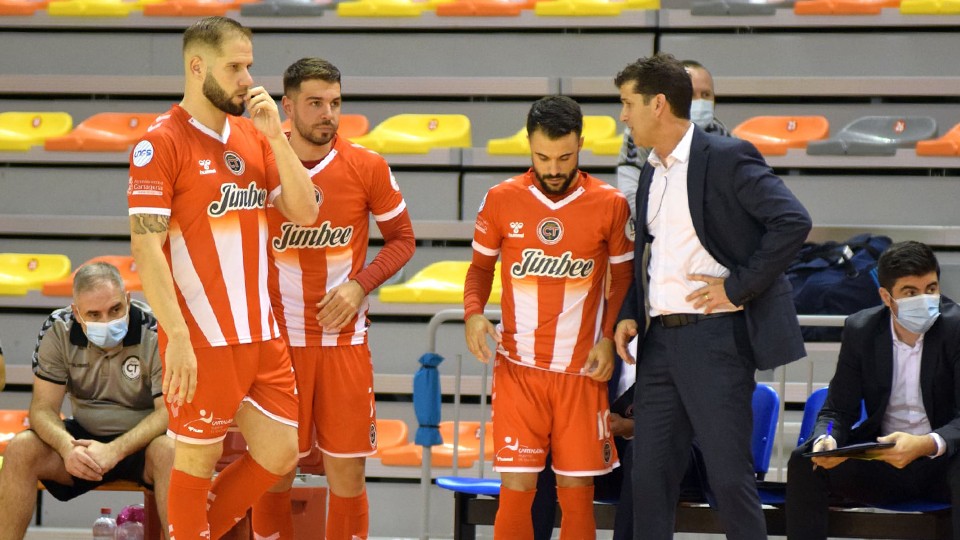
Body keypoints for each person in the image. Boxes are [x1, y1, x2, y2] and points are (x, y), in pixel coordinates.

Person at [127, 16, 318, 540]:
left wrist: (277, 137)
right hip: (202, 334)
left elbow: (305, 213)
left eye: (248, 66)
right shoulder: (159, 143)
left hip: (261, 332)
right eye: (234, 67)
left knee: (282, 452)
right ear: (197, 67)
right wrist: (178, 337)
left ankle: (196, 532)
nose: (246, 79)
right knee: (196, 458)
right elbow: (145, 248)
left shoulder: (255, 135)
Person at [613, 53, 811, 540]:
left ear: (658, 104)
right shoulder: (650, 172)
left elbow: (793, 221)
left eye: (627, 103)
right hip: (659, 346)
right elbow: (653, 256)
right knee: (649, 479)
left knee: (728, 477)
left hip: (716, 340)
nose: (622, 115)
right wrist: (631, 313)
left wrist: (738, 288)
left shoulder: (726, 156)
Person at [251, 58, 416, 540]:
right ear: (288, 106)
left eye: (336, 103)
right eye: (316, 103)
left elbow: (403, 238)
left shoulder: (367, 165)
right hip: (279, 346)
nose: (329, 113)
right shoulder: (259, 164)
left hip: (344, 344)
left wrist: (359, 284)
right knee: (275, 470)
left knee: (347, 476)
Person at [464, 95, 635, 539]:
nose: (554, 168)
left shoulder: (611, 204)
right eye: (543, 157)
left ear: (581, 144)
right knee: (516, 489)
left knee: (575, 493)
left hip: (582, 373)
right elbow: (481, 269)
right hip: (519, 369)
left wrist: (605, 338)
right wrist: (473, 314)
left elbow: (623, 280)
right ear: (529, 146)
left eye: (564, 157)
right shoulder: (501, 199)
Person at [786, 241, 960, 540]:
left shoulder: (955, 328)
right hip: (883, 460)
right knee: (805, 461)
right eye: (910, 292)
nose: (925, 299)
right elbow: (835, 411)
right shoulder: (862, 330)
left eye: (931, 288)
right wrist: (825, 436)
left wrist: (927, 444)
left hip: (941, 461)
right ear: (886, 297)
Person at [0, 262, 173, 540]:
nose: (107, 321)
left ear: (128, 300)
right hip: (82, 445)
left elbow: (167, 413)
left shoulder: (155, 330)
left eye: (115, 309)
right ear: (77, 314)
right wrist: (67, 448)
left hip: (142, 444)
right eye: (94, 314)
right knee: (21, 449)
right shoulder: (58, 329)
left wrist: (115, 450)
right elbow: (42, 409)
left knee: (170, 451)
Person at [617, 59, 729, 219]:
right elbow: (630, 191)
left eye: (706, 95)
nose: (700, 102)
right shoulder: (640, 134)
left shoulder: (725, 141)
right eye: (692, 95)